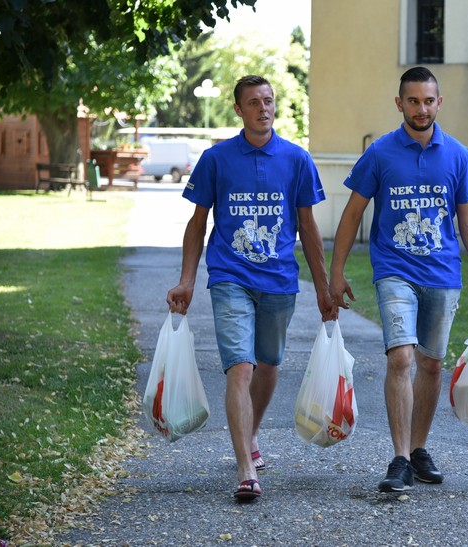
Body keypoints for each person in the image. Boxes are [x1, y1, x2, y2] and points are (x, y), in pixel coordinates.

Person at [329, 66, 468, 493]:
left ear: (439, 103)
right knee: (401, 359)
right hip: (394, 271)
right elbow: (352, 214)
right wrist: (336, 273)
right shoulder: (380, 153)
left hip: (443, 274)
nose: (421, 108)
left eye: (429, 101)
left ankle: (417, 450)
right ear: (400, 104)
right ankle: (398, 459)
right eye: (413, 101)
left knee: (430, 363)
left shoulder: (458, 155)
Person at [167, 75, 336, 502]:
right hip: (230, 276)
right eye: (254, 102)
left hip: (279, 281)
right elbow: (197, 224)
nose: (264, 108)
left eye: (269, 100)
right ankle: (245, 469)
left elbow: (308, 228)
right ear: (239, 109)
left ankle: (252, 433)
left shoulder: (296, 159)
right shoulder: (216, 159)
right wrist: (188, 279)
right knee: (241, 367)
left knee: (268, 364)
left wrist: (323, 288)